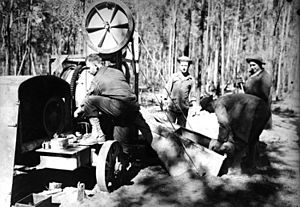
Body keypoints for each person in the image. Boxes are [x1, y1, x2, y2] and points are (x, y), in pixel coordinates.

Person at [74, 54, 152, 152]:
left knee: (89, 101)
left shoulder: (97, 80)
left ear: (96, 66)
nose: (89, 71)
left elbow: (88, 98)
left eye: (89, 68)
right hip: (132, 107)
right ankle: (127, 159)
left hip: (119, 107)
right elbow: (117, 90)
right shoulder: (117, 71)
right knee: (120, 141)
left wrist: (77, 111)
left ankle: (97, 134)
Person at [200, 93, 271, 173]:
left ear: (210, 104)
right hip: (262, 108)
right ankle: (250, 164)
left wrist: (220, 141)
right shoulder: (224, 101)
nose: (208, 112)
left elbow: (223, 124)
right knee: (252, 138)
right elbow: (230, 123)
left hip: (257, 109)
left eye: (206, 109)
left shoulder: (218, 105)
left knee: (241, 140)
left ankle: (237, 167)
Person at [164, 55, 196, 127]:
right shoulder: (174, 77)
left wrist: (194, 107)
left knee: (181, 130)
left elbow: (193, 95)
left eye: (186, 65)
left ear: (188, 66)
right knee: (169, 127)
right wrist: (164, 101)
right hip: (172, 108)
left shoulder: (191, 79)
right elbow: (167, 90)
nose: (184, 67)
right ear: (179, 66)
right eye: (182, 65)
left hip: (183, 109)